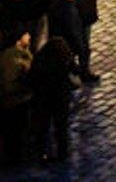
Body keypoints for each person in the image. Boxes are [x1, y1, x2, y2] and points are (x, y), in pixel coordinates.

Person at [27, 34, 77, 163]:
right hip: (61, 99)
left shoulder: (40, 59)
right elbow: (76, 70)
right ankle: (62, 152)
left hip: (43, 98)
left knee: (43, 126)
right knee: (61, 126)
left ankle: (42, 152)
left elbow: (31, 78)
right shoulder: (65, 59)